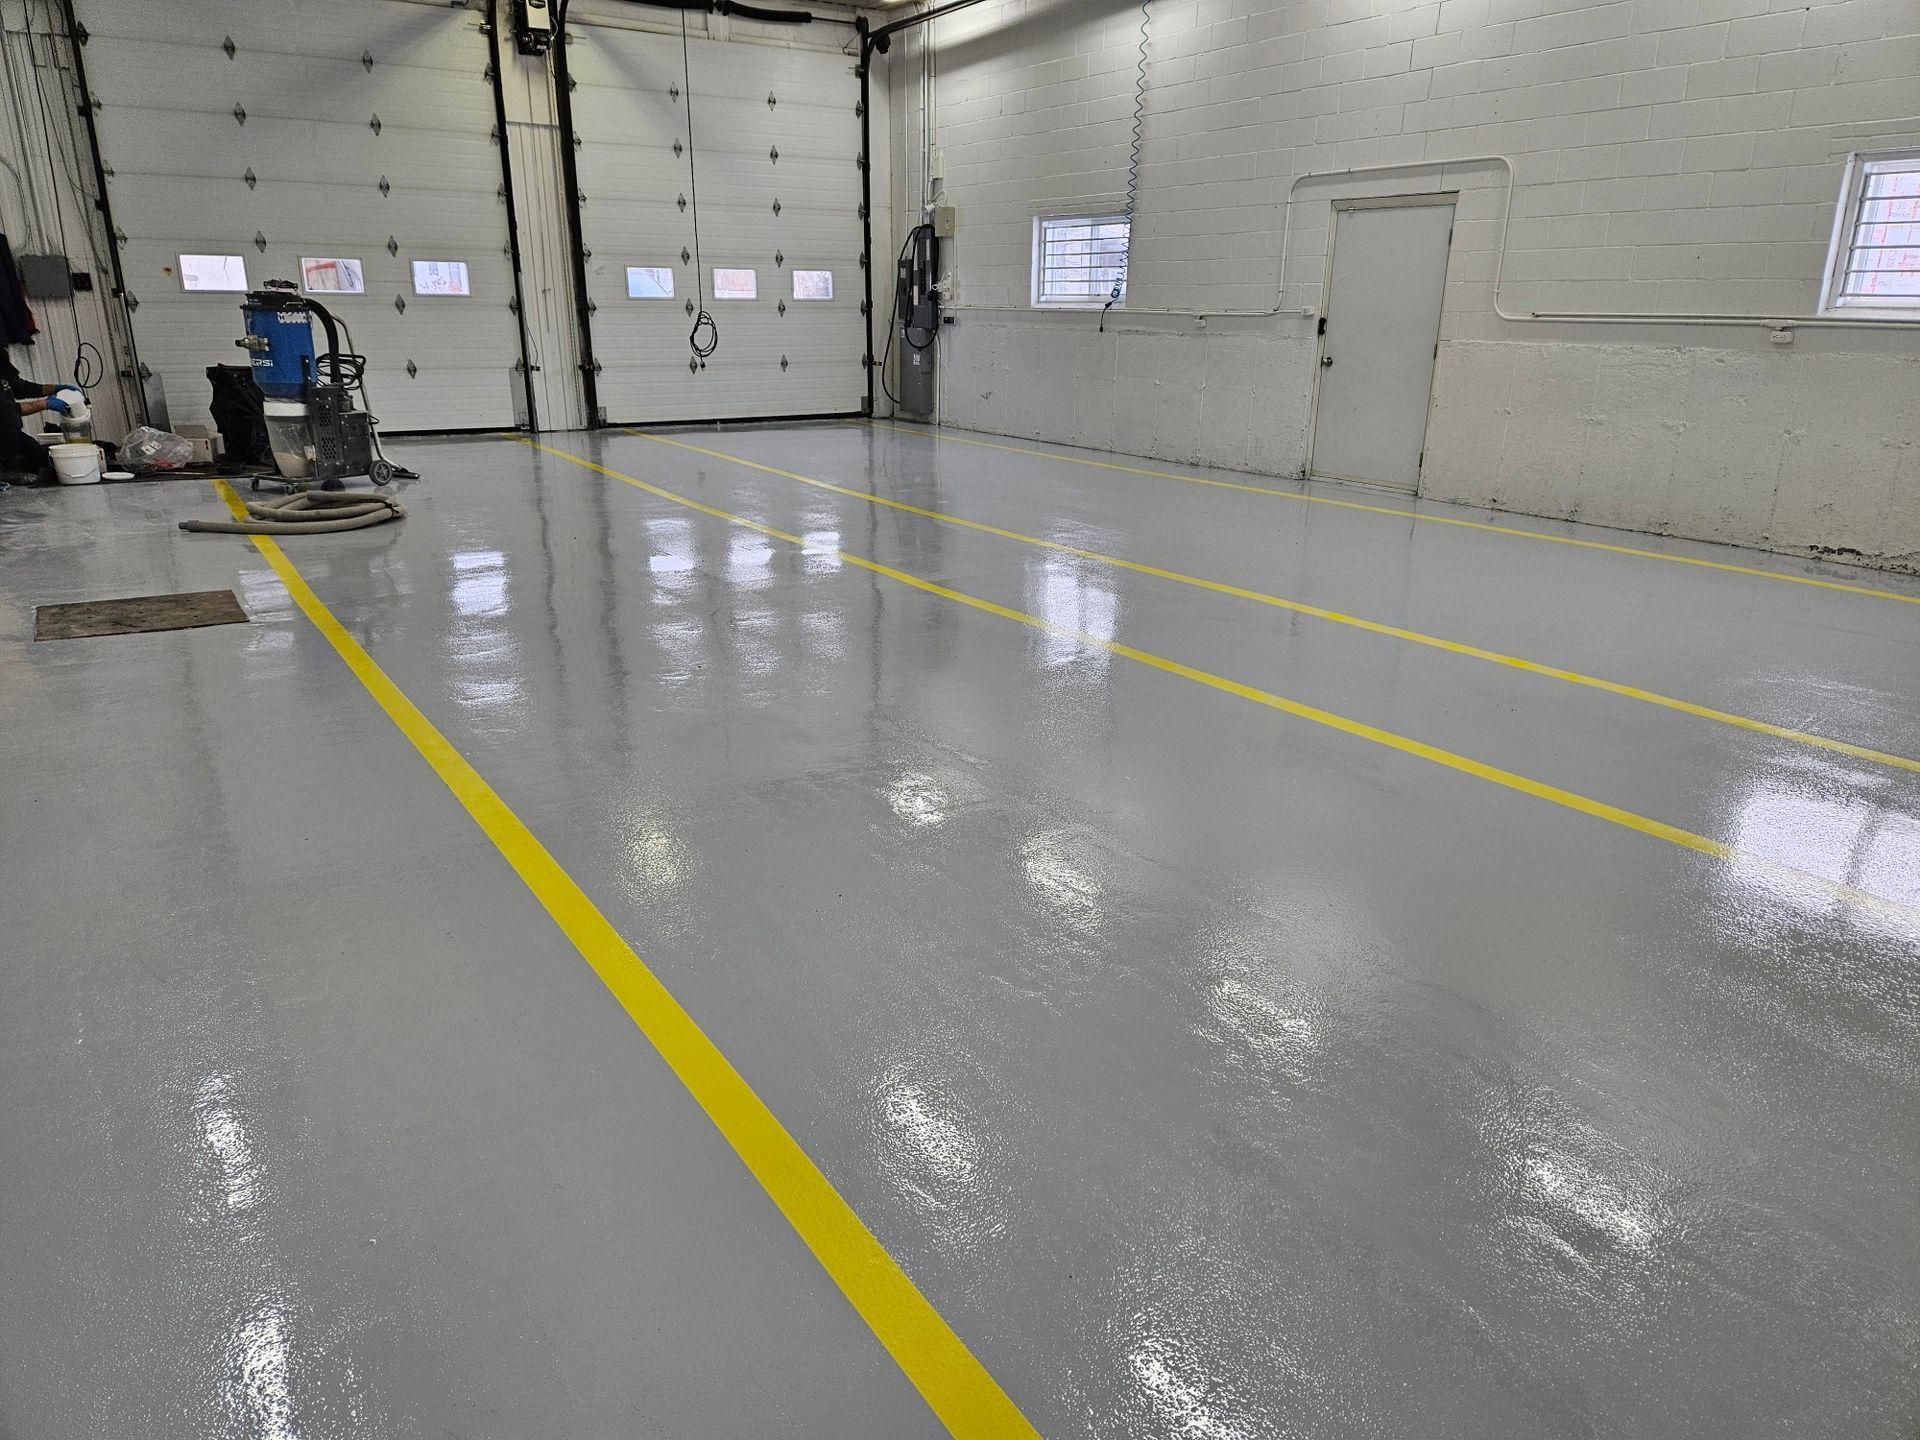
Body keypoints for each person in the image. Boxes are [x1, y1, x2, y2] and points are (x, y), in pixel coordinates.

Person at [0, 351, 69, 483]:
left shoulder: (1, 360)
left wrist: (55, 388)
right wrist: (45, 403)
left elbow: (21, 387)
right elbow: (4, 410)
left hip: (11, 435)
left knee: (45, 462)